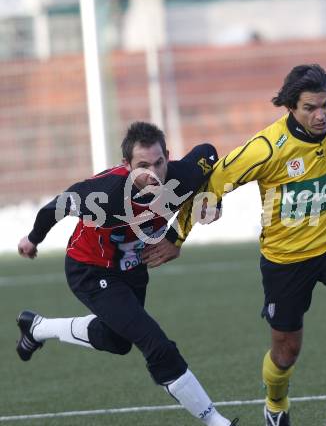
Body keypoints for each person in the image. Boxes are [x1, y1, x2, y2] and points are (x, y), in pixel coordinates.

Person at [143, 64, 326, 426]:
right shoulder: (266, 148)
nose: (320, 115)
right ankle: (276, 404)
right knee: (286, 353)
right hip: (285, 261)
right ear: (291, 108)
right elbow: (214, 179)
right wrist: (176, 236)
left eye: (324, 105)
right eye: (310, 108)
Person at [16, 121, 239, 426]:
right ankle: (216, 420)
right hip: (90, 270)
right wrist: (33, 239)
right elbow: (55, 207)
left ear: (168, 157)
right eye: (142, 165)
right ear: (126, 165)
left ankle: (37, 328)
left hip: (133, 270)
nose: (153, 173)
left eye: (159, 162)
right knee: (154, 343)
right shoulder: (104, 195)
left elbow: (209, 155)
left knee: (118, 341)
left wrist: (214, 201)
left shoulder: (181, 176)